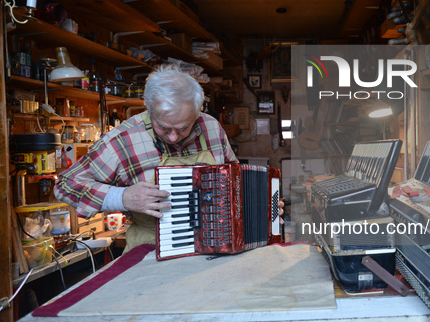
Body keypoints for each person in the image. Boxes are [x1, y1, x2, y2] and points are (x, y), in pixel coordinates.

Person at [54, 64, 281, 253]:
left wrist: (264, 207)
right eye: (164, 127)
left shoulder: (211, 127)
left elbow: (236, 184)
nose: (173, 136)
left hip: (215, 250)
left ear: (197, 112)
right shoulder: (122, 140)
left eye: (183, 128)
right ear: (149, 109)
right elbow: (65, 185)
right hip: (150, 255)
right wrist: (121, 197)